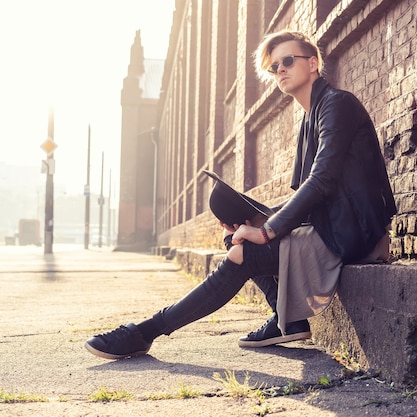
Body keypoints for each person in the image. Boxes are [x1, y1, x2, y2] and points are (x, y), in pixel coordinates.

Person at [85, 30, 397, 359]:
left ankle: (144, 332)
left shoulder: (337, 105)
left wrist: (267, 230)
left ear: (314, 63)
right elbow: (307, 195)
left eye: (288, 61)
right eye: (274, 67)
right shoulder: (309, 120)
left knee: (242, 253)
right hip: (333, 225)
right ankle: (287, 321)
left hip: (356, 233)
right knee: (235, 236)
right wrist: (251, 218)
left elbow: (321, 182)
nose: (281, 70)